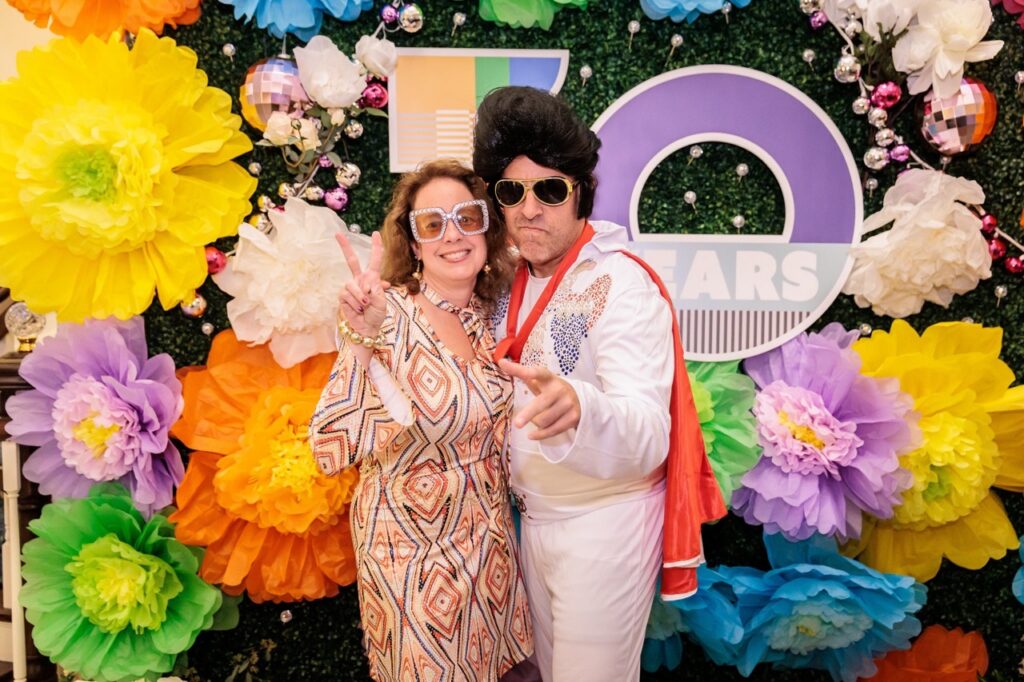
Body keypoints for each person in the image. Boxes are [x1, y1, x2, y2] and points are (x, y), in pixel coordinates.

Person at [472, 86, 726, 680]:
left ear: (580, 193)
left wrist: (580, 407)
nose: (530, 208)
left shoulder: (621, 281)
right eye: (513, 191)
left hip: (606, 523)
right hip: (531, 523)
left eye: (550, 189)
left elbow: (647, 431)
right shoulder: (505, 281)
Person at [309, 160, 533, 681]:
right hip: (409, 559)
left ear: (486, 228)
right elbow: (327, 448)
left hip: (489, 553)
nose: (452, 235)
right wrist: (361, 339)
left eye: (466, 218)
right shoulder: (387, 314)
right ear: (412, 244)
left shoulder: (486, 315)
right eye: (432, 224)